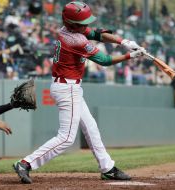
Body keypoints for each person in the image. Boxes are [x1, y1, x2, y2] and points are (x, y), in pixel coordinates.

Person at [13, 1, 145, 184]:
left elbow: (98, 34)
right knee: (66, 138)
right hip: (67, 88)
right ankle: (25, 163)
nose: (86, 26)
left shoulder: (71, 29)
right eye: (82, 23)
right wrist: (130, 55)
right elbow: (105, 60)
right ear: (72, 23)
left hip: (68, 86)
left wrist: (124, 42)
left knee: (91, 128)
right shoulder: (75, 40)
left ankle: (107, 168)